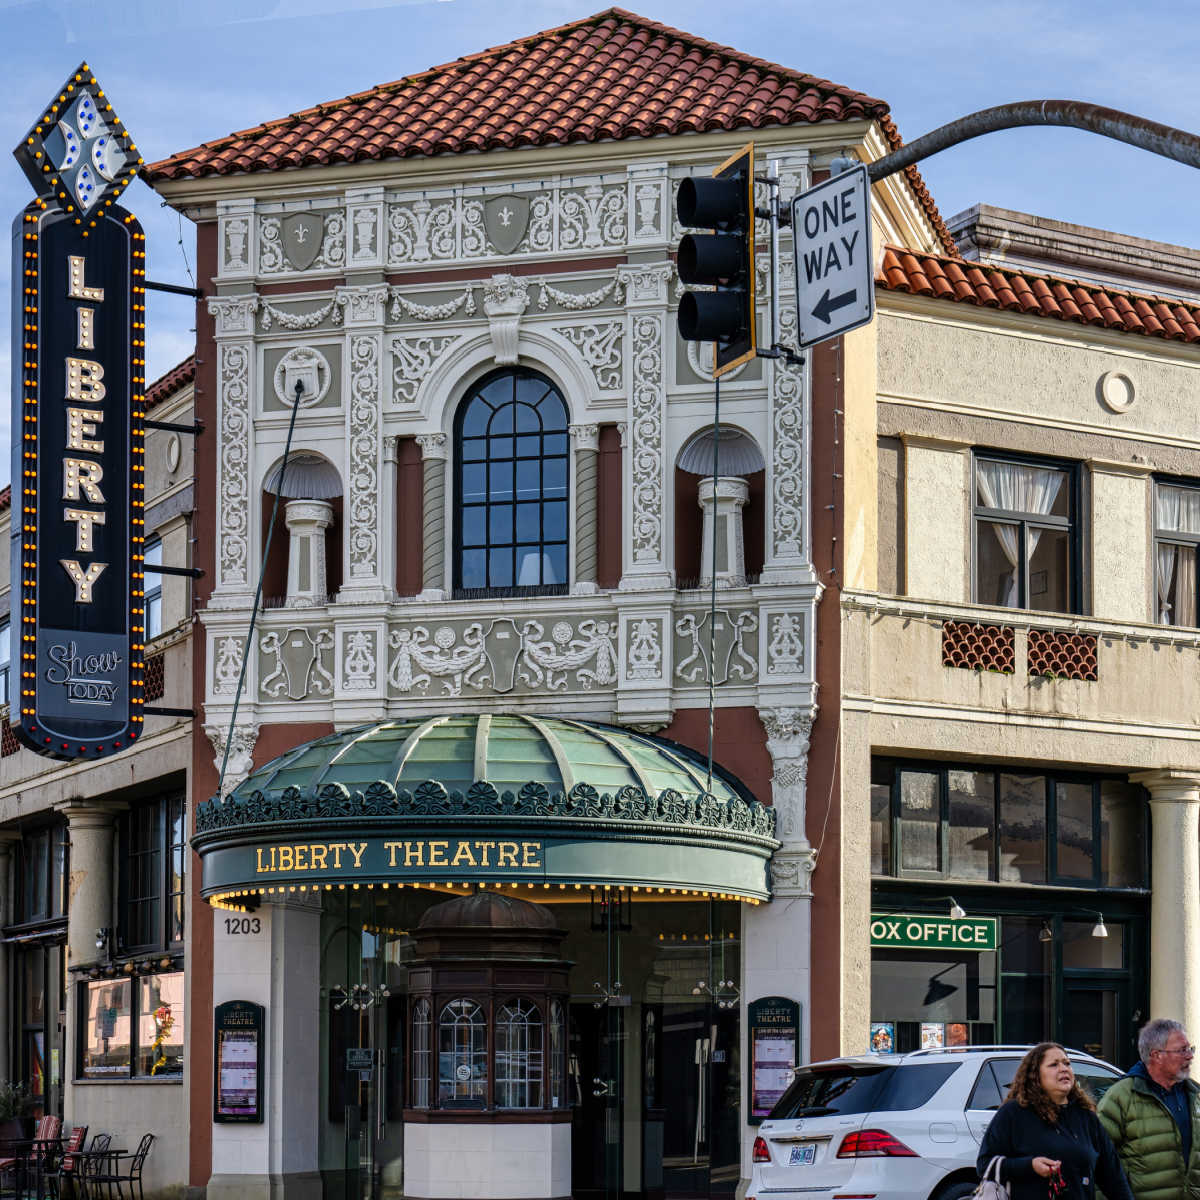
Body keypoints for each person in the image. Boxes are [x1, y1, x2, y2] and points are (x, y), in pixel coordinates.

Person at [977, 1042, 1133, 1200]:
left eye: (1067, 1063)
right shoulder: (1014, 1113)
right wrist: (1030, 1166)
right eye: (1053, 1065)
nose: (1064, 1068)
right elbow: (984, 1165)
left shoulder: (1086, 1117)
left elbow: (1113, 1176)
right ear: (1035, 1075)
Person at [1097, 1018, 1200, 1198]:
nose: (1190, 1056)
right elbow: (1098, 1160)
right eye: (1182, 1050)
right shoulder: (1122, 1097)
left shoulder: (1195, 1094)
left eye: (1190, 1049)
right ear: (1156, 1055)